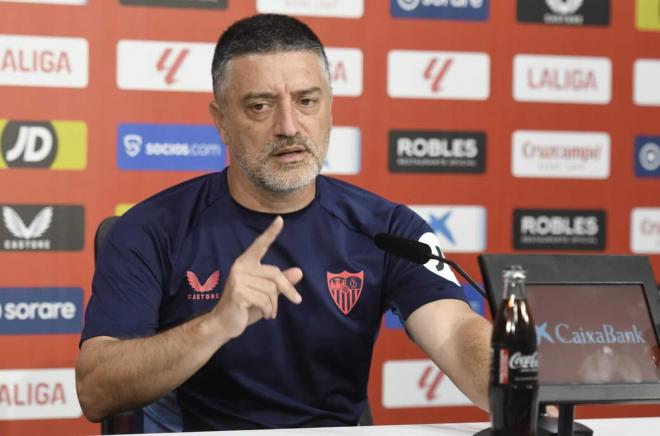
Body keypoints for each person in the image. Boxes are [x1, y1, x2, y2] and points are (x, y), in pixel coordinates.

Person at [76, 13, 492, 431]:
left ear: (330, 108)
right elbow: (96, 389)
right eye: (260, 106)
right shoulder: (150, 229)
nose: (289, 127)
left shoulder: (392, 231)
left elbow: (455, 331)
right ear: (221, 121)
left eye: (307, 101)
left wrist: (518, 388)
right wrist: (214, 326)